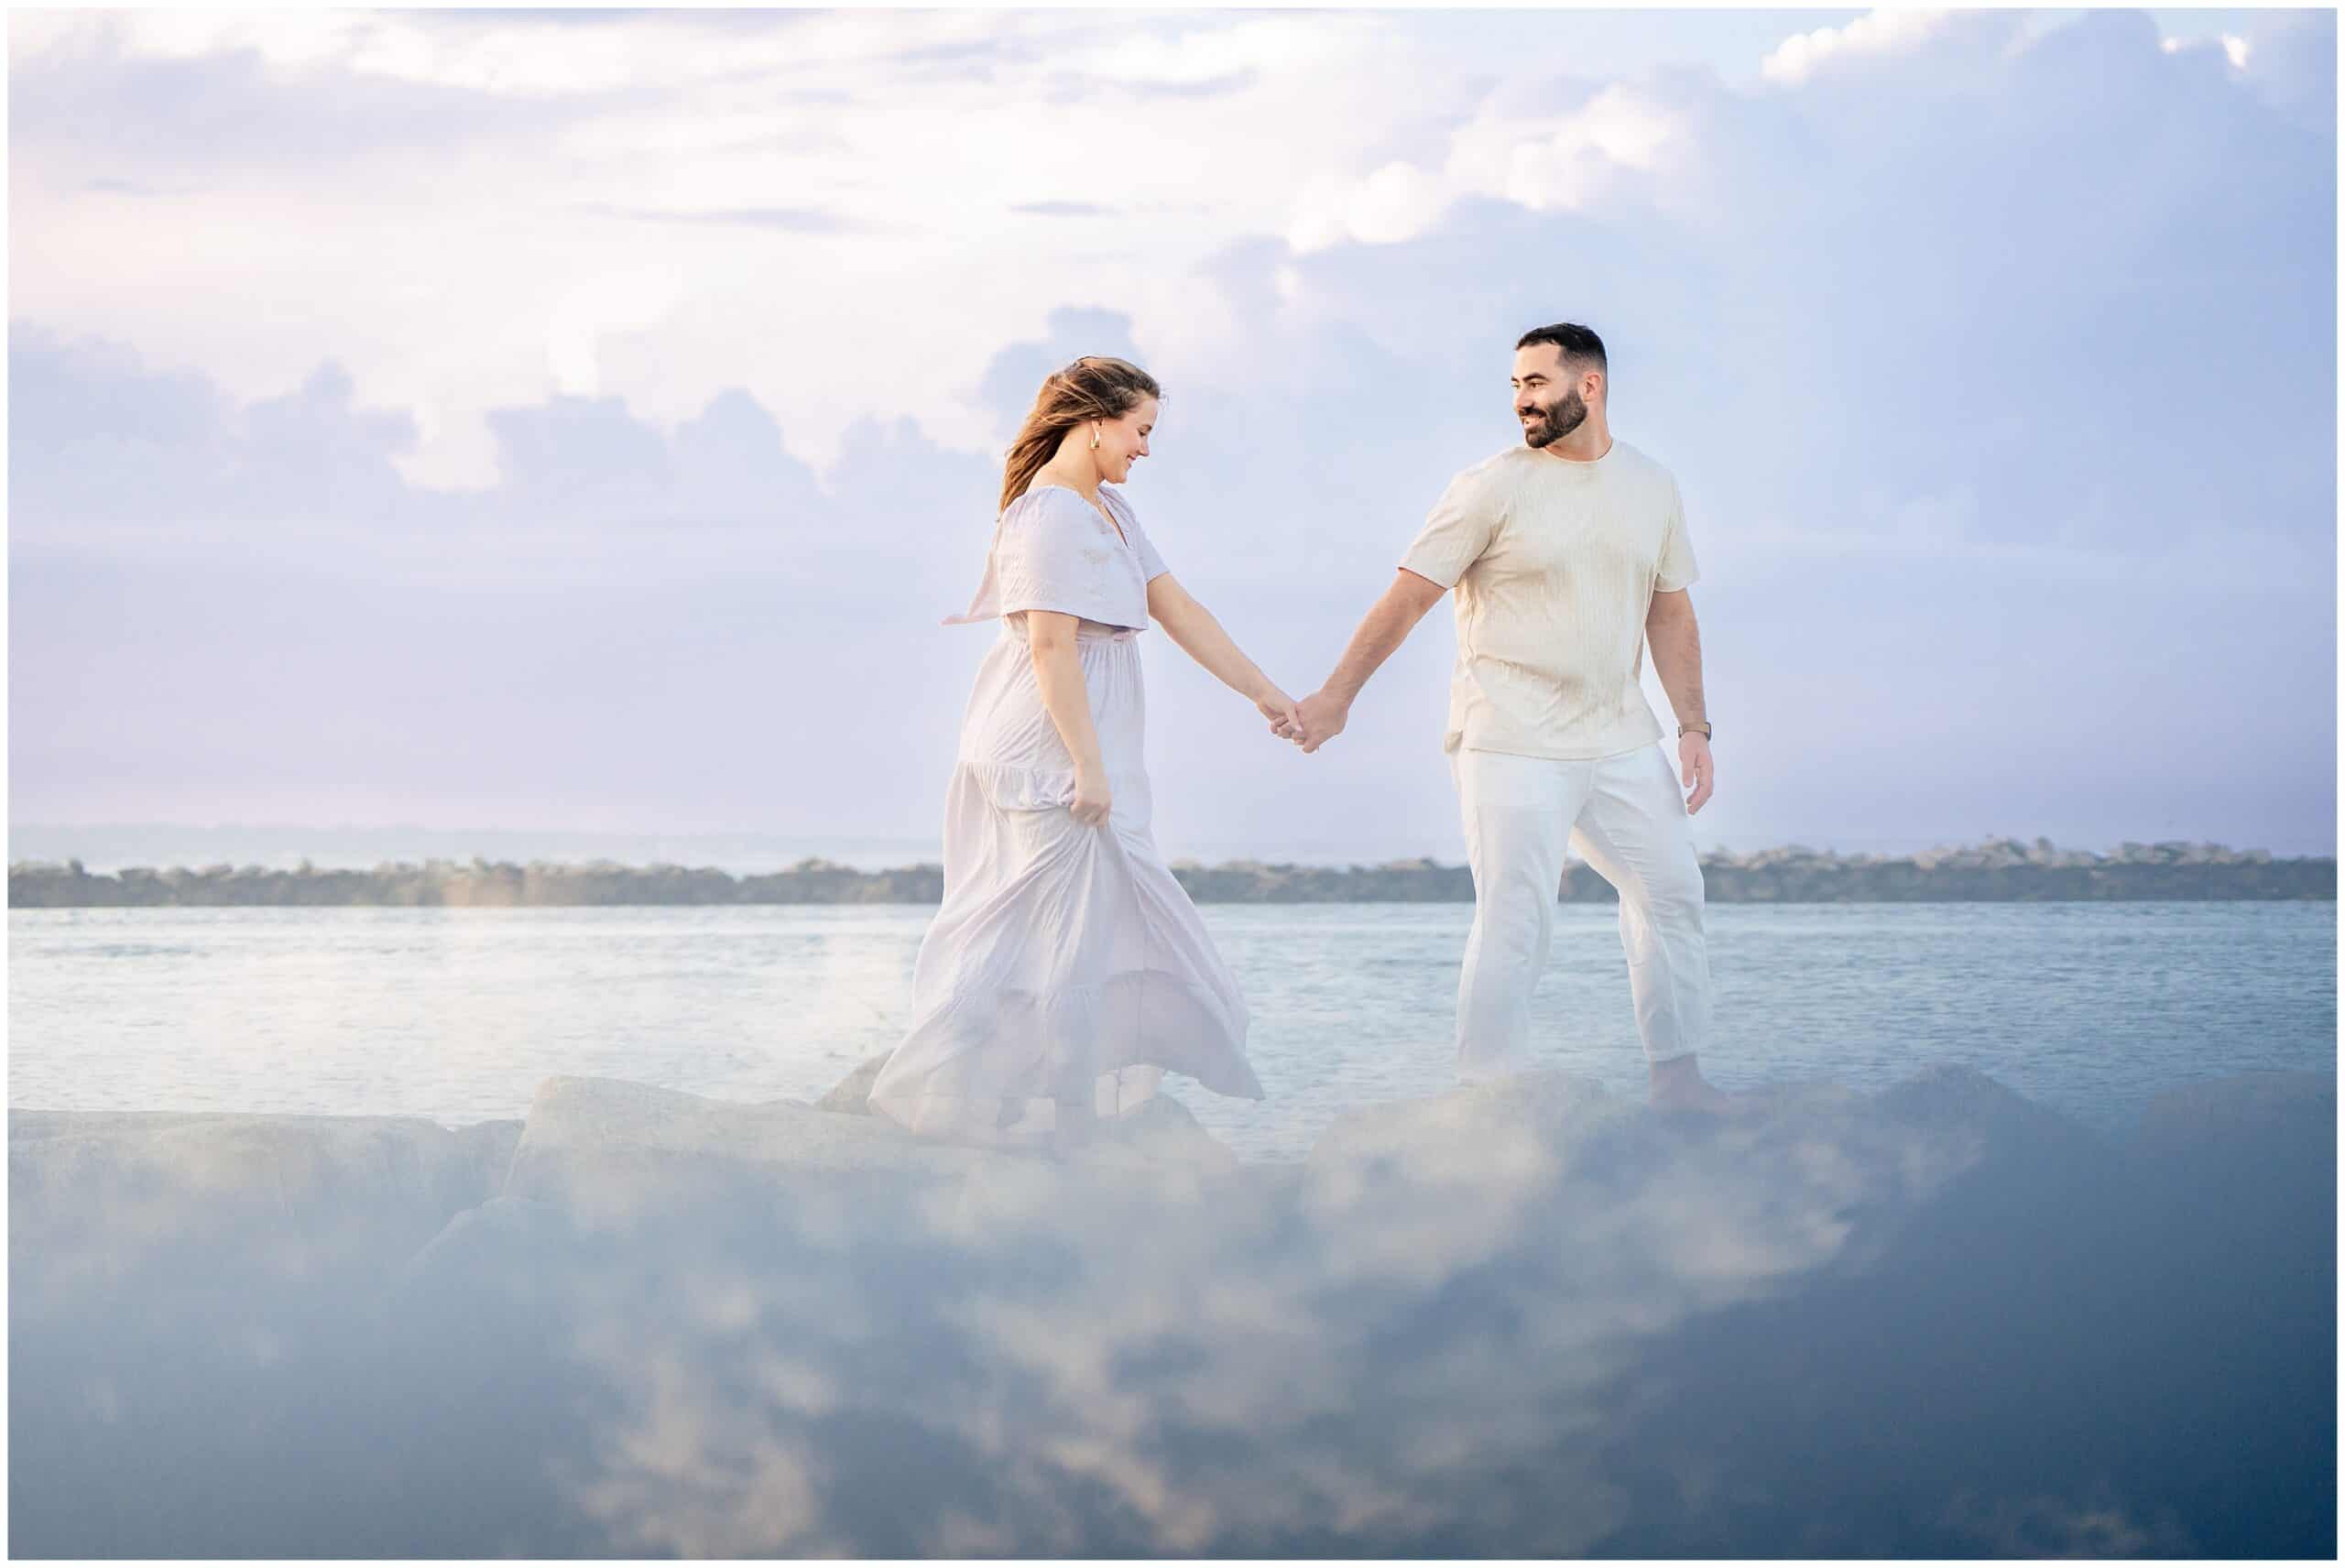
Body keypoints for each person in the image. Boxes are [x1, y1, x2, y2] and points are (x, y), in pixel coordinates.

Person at [1278, 322, 1737, 1114]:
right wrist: (1337, 695)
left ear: (1587, 387)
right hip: (1510, 734)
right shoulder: (1488, 486)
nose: (1521, 401)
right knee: (1518, 914)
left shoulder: (1653, 486)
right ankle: (1487, 1100)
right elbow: (1409, 597)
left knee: (1671, 891)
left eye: (1535, 384)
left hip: (1620, 733)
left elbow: (1670, 612)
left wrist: (1693, 726)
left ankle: (1679, 1082)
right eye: (1515, 387)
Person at [868, 355, 1289, 1149]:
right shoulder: (1050, 516)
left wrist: (1264, 693)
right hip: (1045, 749)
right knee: (1052, 932)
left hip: (1087, 748)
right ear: (1095, 421)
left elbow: (1180, 609)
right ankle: (1027, 1102)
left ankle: (1050, 1094)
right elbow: (1052, 649)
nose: (1146, 450)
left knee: (1082, 928)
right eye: (1140, 431)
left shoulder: (1113, 514)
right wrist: (1087, 768)